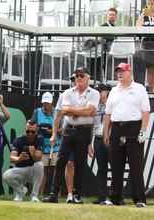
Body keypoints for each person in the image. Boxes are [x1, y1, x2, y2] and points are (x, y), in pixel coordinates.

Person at [42, 67, 100, 204]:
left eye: (81, 75)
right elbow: (64, 111)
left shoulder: (94, 93)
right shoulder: (67, 93)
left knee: (80, 164)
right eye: (76, 76)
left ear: (88, 78)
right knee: (61, 162)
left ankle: (76, 195)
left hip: (84, 130)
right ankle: (53, 194)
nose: (78, 78)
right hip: (69, 130)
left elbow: (90, 111)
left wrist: (72, 112)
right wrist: (81, 111)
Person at [104, 63, 150, 208]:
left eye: (122, 71)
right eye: (117, 71)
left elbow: (145, 111)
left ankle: (140, 199)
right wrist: (106, 132)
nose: (119, 74)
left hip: (134, 128)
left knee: (136, 166)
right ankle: (114, 198)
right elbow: (108, 114)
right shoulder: (113, 90)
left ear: (129, 72)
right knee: (116, 165)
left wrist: (143, 130)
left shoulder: (139, 88)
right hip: (117, 128)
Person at [3, 120, 43, 202]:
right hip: (20, 171)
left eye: (33, 132)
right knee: (6, 175)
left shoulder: (39, 139)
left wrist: (33, 154)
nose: (30, 134)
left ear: (36, 131)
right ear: (25, 130)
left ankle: (34, 196)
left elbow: (38, 158)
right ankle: (20, 192)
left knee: (39, 165)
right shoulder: (18, 140)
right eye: (28, 131)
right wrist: (19, 158)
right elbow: (11, 158)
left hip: (33, 171)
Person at [31, 92, 60, 196]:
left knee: (56, 171)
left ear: (52, 102)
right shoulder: (37, 112)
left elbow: (62, 128)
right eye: (44, 103)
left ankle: (56, 194)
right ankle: (39, 194)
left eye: (47, 103)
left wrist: (53, 131)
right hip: (41, 147)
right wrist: (38, 129)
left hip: (55, 146)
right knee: (42, 171)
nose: (45, 105)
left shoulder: (57, 112)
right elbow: (31, 125)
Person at [89, 83, 112, 205]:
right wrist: (89, 144)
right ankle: (102, 197)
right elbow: (91, 125)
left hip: (111, 139)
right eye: (97, 90)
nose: (99, 93)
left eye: (101, 90)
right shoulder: (94, 107)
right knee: (101, 168)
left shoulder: (112, 104)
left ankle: (115, 197)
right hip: (98, 139)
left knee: (115, 168)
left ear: (107, 91)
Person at [50, 91, 75, 203]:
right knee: (64, 163)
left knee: (74, 164)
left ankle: (73, 194)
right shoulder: (64, 95)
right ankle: (58, 194)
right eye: (73, 79)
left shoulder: (87, 95)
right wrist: (54, 134)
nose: (75, 80)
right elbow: (57, 117)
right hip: (66, 135)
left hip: (81, 133)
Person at [137, 0, 154, 93]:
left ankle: (152, 89)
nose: (150, 6)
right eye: (149, 4)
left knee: (152, 69)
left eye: (152, 4)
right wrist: (142, 16)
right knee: (149, 67)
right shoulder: (144, 15)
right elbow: (138, 28)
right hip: (147, 44)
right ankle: (149, 91)